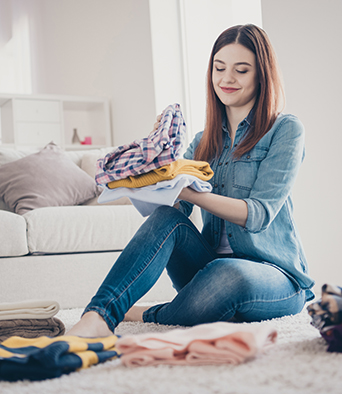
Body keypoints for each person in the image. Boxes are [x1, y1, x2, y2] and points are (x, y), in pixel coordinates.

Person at [68, 24, 315, 337]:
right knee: (168, 219)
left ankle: (150, 312)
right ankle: (99, 316)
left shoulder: (285, 129)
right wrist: (154, 165)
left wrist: (191, 192)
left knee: (227, 274)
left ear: (261, 75)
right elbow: (172, 212)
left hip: (274, 275)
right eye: (219, 68)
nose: (227, 79)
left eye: (241, 70)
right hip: (206, 271)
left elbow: (259, 214)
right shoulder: (202, 142)